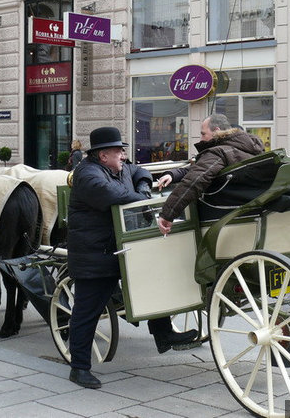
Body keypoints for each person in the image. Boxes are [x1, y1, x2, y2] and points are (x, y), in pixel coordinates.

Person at [67, 127, 197, 390]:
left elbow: (141, 172)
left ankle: (163, 334)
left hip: (120, 248)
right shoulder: (88, 175)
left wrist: (143, 184)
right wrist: (142, 198)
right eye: (119, 151)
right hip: (96, 255)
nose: (124, 155)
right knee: (87, 312)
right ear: (103, 156)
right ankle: (79, 368)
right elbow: (114, 195)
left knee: (150, 281)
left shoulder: (120, 167)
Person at [157, 114, 265, 235]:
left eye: (203, 134)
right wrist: (172, 174)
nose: (201, 139)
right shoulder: (246, 148)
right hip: (252, 215)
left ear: (216, 131)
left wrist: (167, 214)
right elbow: (197, 169)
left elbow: (194, 181)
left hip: (223, 220)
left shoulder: (219, 151)